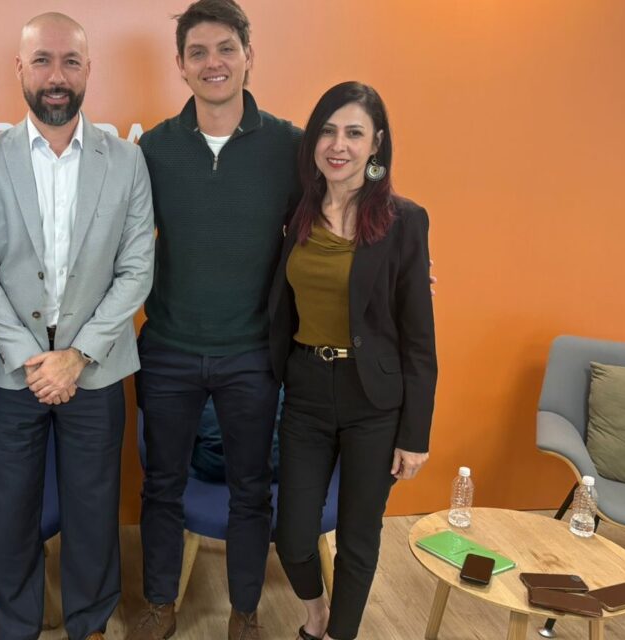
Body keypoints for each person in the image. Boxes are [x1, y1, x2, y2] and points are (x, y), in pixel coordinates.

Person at [0, 13, 155, 640]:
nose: (56, 76)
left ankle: (90, 625)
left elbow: (136, 270)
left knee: (94, 511)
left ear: (88, 69)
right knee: (9, 512)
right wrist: (31, 359)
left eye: (70, 61)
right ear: (20, 68)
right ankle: (14, 627)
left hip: (95, 372)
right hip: (10, 373)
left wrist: (77, 356)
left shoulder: (126, 161)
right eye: (42, 60)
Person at [130, 1, 300, 638]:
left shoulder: (290, 145)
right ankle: (160, 604)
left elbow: (344, 208)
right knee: (161, 486)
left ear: (249, 56)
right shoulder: (153, 148)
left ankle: (245, 612)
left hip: (252, 353)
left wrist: (397, 262)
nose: (213, 63)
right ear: (180, 65)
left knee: (251, 490)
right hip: (168, 349)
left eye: (226, 48)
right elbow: (118, 244)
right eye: (197, 52)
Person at [268, 81, 437, 640]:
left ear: (376, 144)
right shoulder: (296, 212)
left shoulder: (404, 221)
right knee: (293, 535)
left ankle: (337, 634)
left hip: (375, 401)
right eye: (328, 131)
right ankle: (316, 612)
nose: (338, 145)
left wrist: (415, 434)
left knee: (359, 539)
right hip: (307, 388)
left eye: (354, 133)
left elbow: (419, 339)